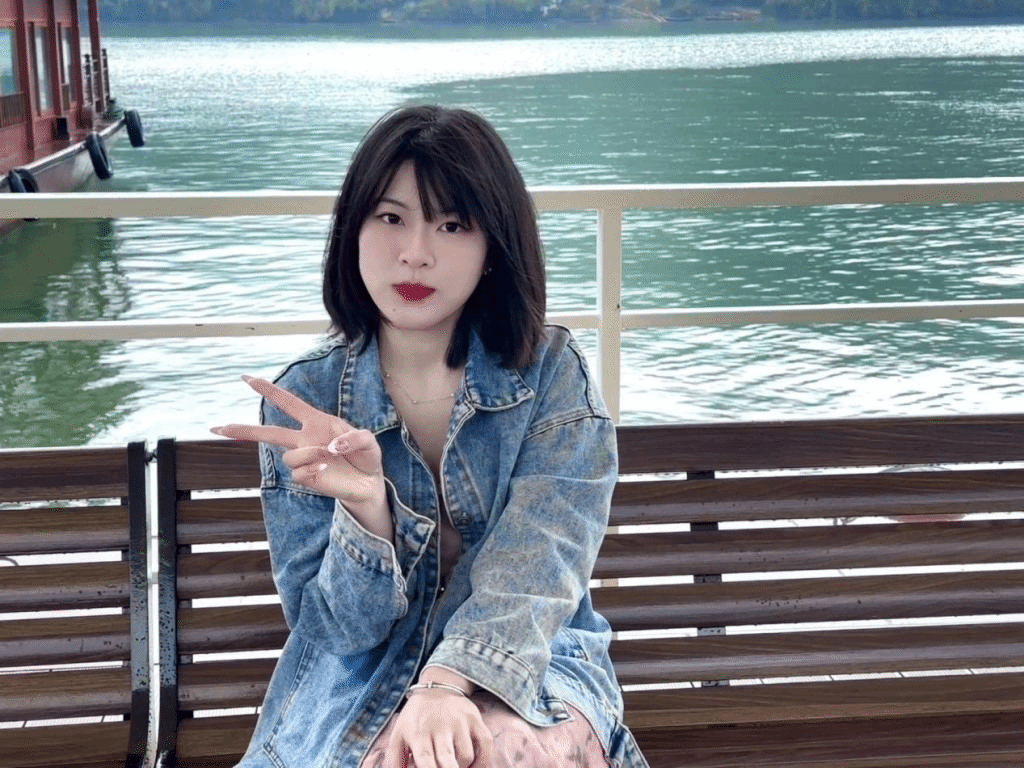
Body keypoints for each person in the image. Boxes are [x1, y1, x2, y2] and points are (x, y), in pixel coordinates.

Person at [211, 105, 651, 768]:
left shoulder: (551, 374)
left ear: (493, 247)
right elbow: (334, 630)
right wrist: (367, 515)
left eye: (452, 225)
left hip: (530, 656)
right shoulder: (310, 397)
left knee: (499, 752)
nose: (415, 253)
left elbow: (542, 562)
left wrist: (447, 683)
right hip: (359, 678)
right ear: (353, 230)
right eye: (391, 218)